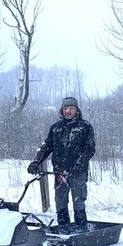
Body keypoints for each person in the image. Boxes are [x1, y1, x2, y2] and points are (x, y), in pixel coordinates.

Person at [27, 96, 96, 232]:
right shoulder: (56, 128)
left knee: (78, 200)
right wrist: (36, 162)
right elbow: (47, 147)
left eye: (71, 108)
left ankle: (81, 227)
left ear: (76, 110)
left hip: (78, 172)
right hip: (60, 173)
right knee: (60, 201)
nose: (68, 111)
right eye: (65, 108)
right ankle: (63, 227)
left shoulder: (85, 127)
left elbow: (90, 149)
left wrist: (79, 165)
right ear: (62, 110)